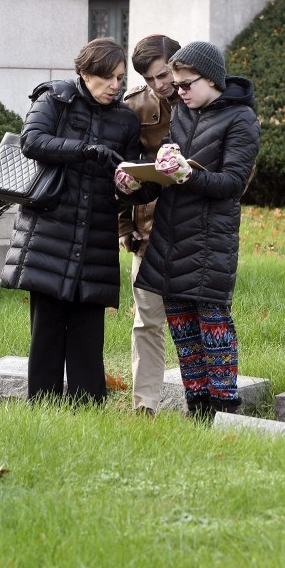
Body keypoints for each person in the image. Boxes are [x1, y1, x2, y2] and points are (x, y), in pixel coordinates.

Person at [116, 41, 259, 421]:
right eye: (176, 85)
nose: (177, 91)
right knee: (182, 328)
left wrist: (188, 175)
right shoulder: (181, 113)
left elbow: (233, 183)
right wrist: (134, 185)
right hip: (170, 235)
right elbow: (165, 180)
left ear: (210, 79)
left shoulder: (241, 118)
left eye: (185, 84)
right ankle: (197, 411)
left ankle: (225, 410)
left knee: (214, 327)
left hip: (211, 238)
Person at [0, 38, 143, 404]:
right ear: (84, 72)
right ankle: (43, 406)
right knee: (46, 328)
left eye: (120, 78)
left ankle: (89, 407)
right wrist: (85, 151)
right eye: (108, 77)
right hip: (50, 228)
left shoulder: (126, 119)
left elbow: (128, 176)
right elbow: (32, 141)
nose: (115, 85)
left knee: (88, 332)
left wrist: (133, 186)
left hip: (96, 232)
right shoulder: (55, 98)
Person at [119, 34, 182, 416]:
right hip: (148, 228)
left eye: (163, 74)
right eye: (149, 79)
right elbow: (119, 171)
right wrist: (124, 228)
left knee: (199, 319)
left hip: (194, 225)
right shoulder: (134, 106)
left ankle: (206, 399)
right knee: (147, 320)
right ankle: (145, 405)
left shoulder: (205, 98)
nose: (159, 85)